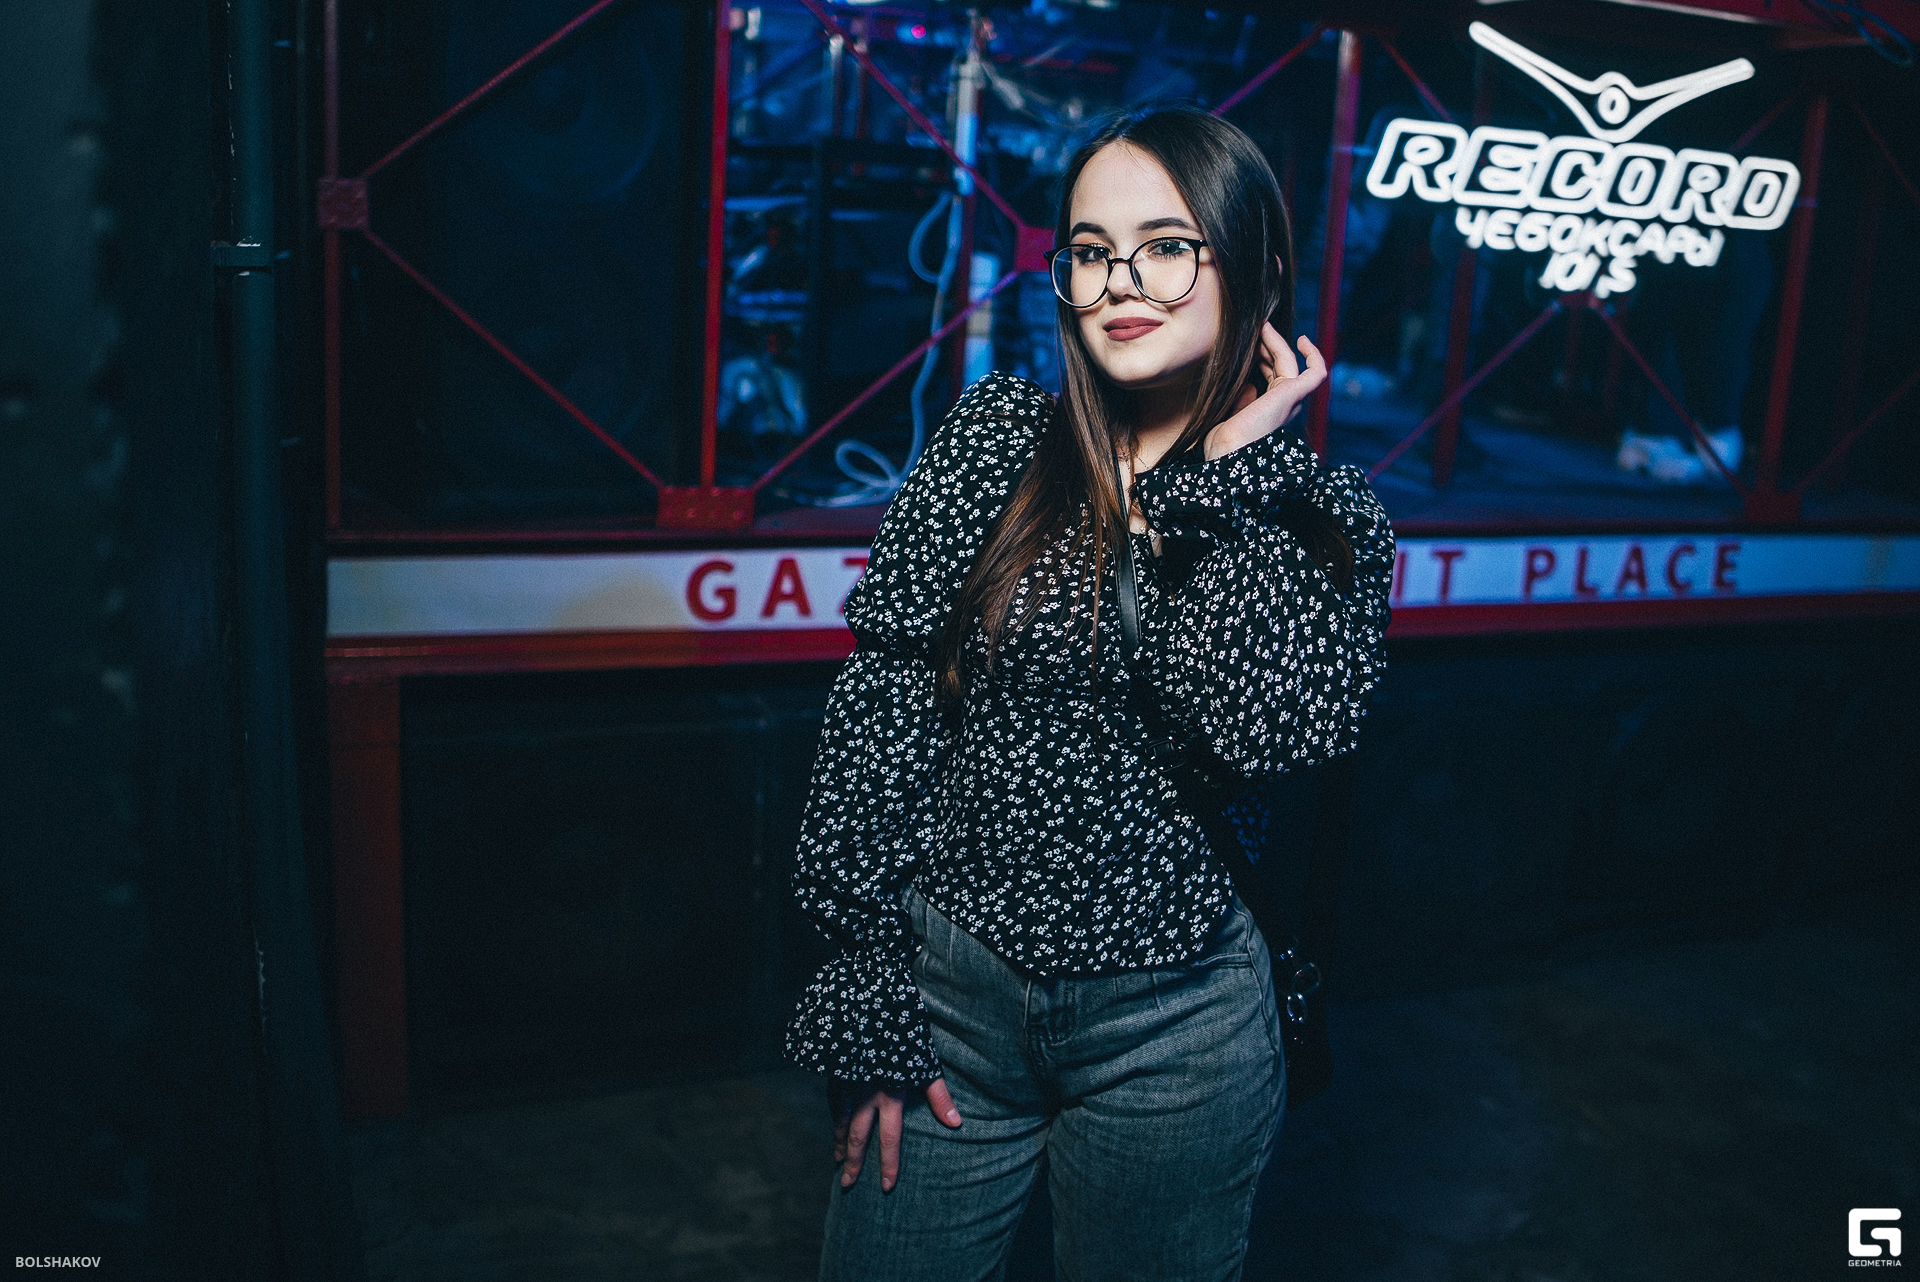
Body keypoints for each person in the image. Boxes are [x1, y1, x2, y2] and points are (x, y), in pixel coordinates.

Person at [784, 104, 1396, 1282]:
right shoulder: (997, 441)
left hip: (1176, 1032)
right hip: (948, 1003)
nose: (1122, 280)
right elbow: (882, 706)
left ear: (1258, 269)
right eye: (1091, 249)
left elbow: (1260, 730)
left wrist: (1227, 483)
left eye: (1167, 246)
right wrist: (865, 979)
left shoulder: (1323, 518)